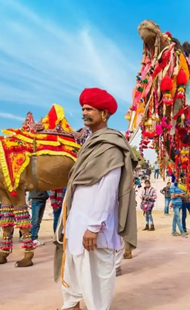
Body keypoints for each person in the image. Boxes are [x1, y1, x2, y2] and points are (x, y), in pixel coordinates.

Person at [55, 88, 136, 310]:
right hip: (76, 223)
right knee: (74, 268)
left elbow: (108, 190)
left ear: (104, 113)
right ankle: (71, 305)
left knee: (96, 277)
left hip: (95, 227)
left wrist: (93, 226)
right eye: (83, 109)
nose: (84, 113)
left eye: (89, 109)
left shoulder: (110, 145)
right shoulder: (90, 144)